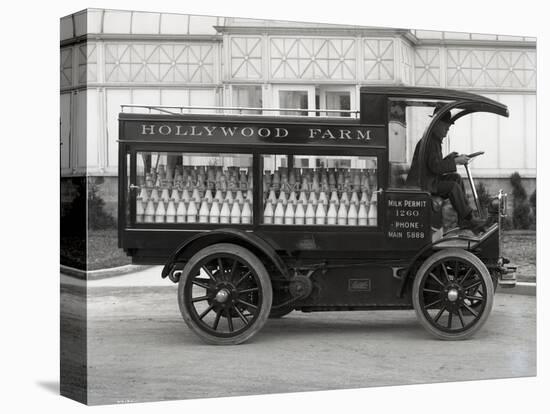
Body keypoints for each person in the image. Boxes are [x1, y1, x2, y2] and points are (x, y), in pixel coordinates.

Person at [406, 109, 486, 233]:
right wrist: (455, 161)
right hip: (423, 184)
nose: (446, 132)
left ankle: (464, 219)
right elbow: (435, 167)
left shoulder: (433, 140)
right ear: (437, 124)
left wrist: (451, 158)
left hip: (429, 180)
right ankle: (468, 218)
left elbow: (435, 164)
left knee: (456, 178)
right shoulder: (430, 142)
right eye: (446, 128)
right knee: (452, 186)